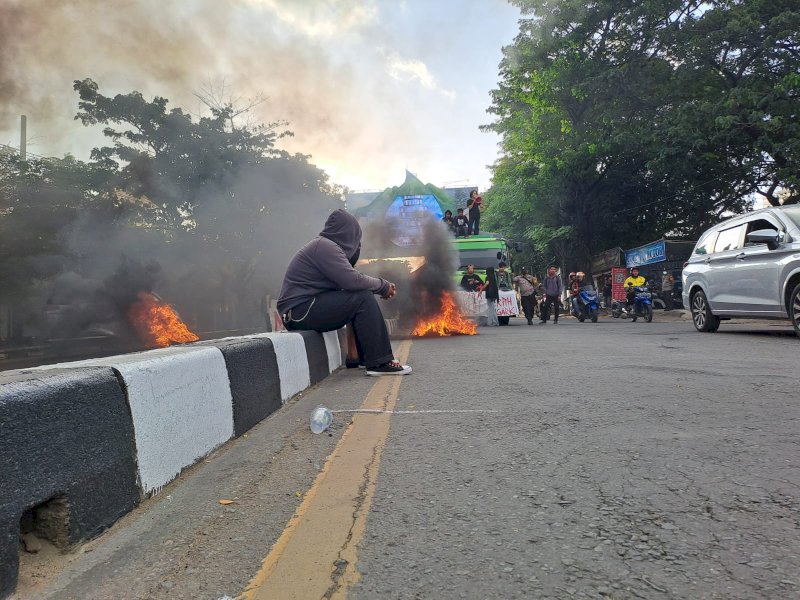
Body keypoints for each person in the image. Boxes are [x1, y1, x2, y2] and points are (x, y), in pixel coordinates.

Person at [277, 209, 411, 376]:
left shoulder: (326, 247)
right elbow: (353, 280)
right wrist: (383, 286)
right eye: (356, 237)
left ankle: (361, 358)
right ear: (348, 233)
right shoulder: (325, 247)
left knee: (358, 296)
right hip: (300, 311)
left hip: (303, 309)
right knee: (362, 297)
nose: (357, 243)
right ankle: (380, 362)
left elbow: (349, 286)